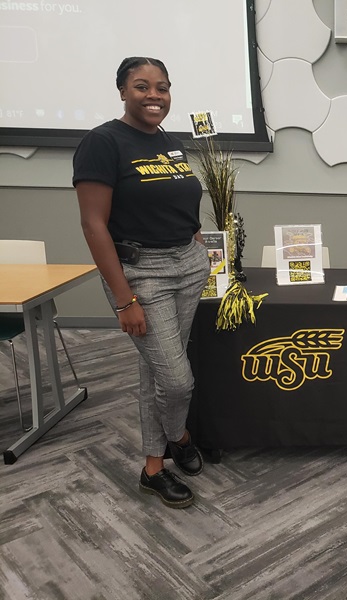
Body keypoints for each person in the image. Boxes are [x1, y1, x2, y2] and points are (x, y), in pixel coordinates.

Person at [73, 57, 210, 508]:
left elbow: (180, 201)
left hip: (188, 266)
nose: (154, 95)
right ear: (122, 91)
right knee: (176, 381)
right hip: (142, 273)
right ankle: (181, 436)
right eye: (142, 86)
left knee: (156, 368)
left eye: (163, 87)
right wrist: (123, 297)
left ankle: (153, 467)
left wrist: (197, 246)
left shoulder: (171, 143)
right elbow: (94, 226)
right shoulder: (102, 143)